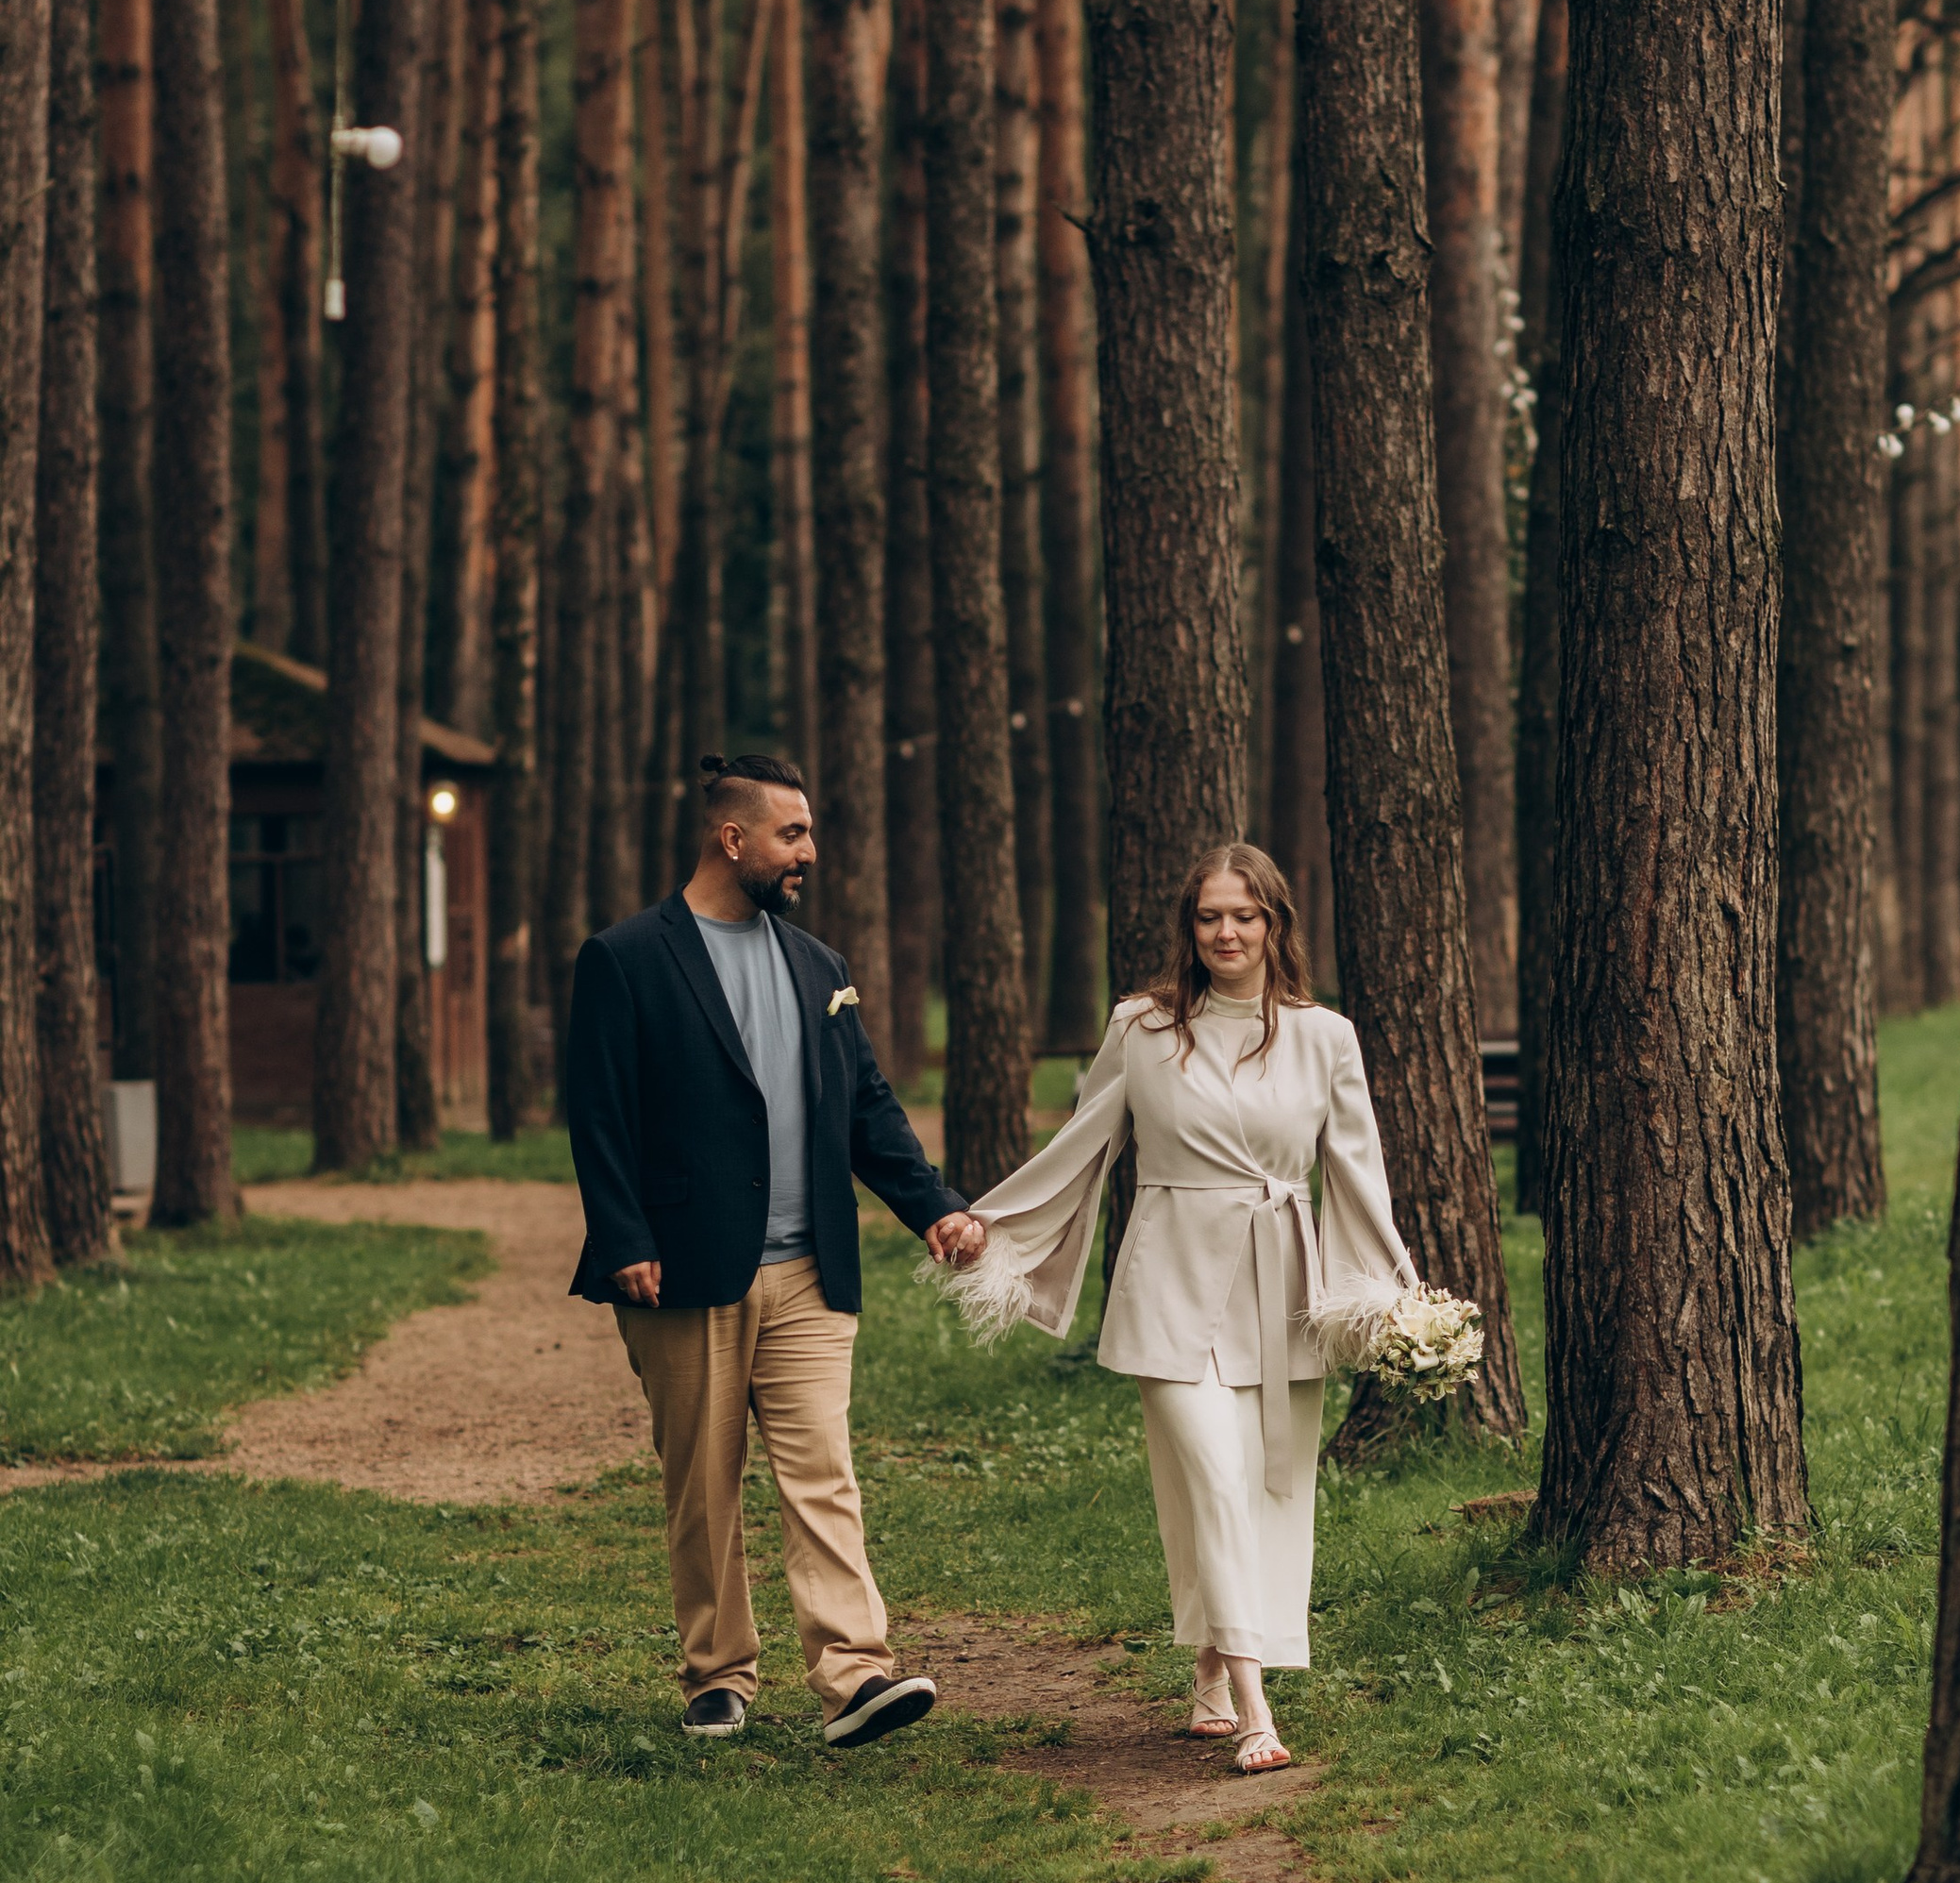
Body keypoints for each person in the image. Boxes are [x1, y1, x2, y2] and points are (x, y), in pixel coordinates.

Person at [940, 843, 1414, 1774]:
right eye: (1208, 917)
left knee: (1266, 1485)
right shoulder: (1144, 1026)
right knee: (1215, 1478)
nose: (1225, 933)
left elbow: (1358, 1175)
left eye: (1244, 916)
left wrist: (1391, 1293)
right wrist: (989, 1226)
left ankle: (1207, 1670)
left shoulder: (1325, 1036)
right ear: (1188, 928)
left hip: (1278, 1289)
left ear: (1274, 923)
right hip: (1168, 1285)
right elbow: (1082, 1145)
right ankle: (1255, 1706)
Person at [564, 752, 988, 1746]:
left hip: (810, 1271)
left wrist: (932, 1206)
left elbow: (867, 1106)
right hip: (683, 1268)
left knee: (823, 1472)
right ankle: (717, 1676)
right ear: (733, 838)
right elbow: (598, 1112)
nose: (809, 852)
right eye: (791, 833)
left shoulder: (819, 966)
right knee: (703, 1485)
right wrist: (624, 1234)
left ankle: (854, 1674)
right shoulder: (626, 957)